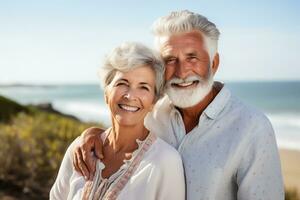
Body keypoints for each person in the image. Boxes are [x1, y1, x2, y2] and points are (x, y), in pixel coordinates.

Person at [73, 10, 284, 200]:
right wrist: (92, 134)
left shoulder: (252, 128)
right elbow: (121, 133)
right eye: (170, 60)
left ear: (214, 63)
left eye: (192, 58)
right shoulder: (151, 110)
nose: (182, 73)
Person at [50, 42, 185, 200]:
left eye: (143, 87)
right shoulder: (80, 150)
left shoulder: (166, 161)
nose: (130, 96)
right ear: (106, 93)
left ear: (154, 101)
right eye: (122, 83)